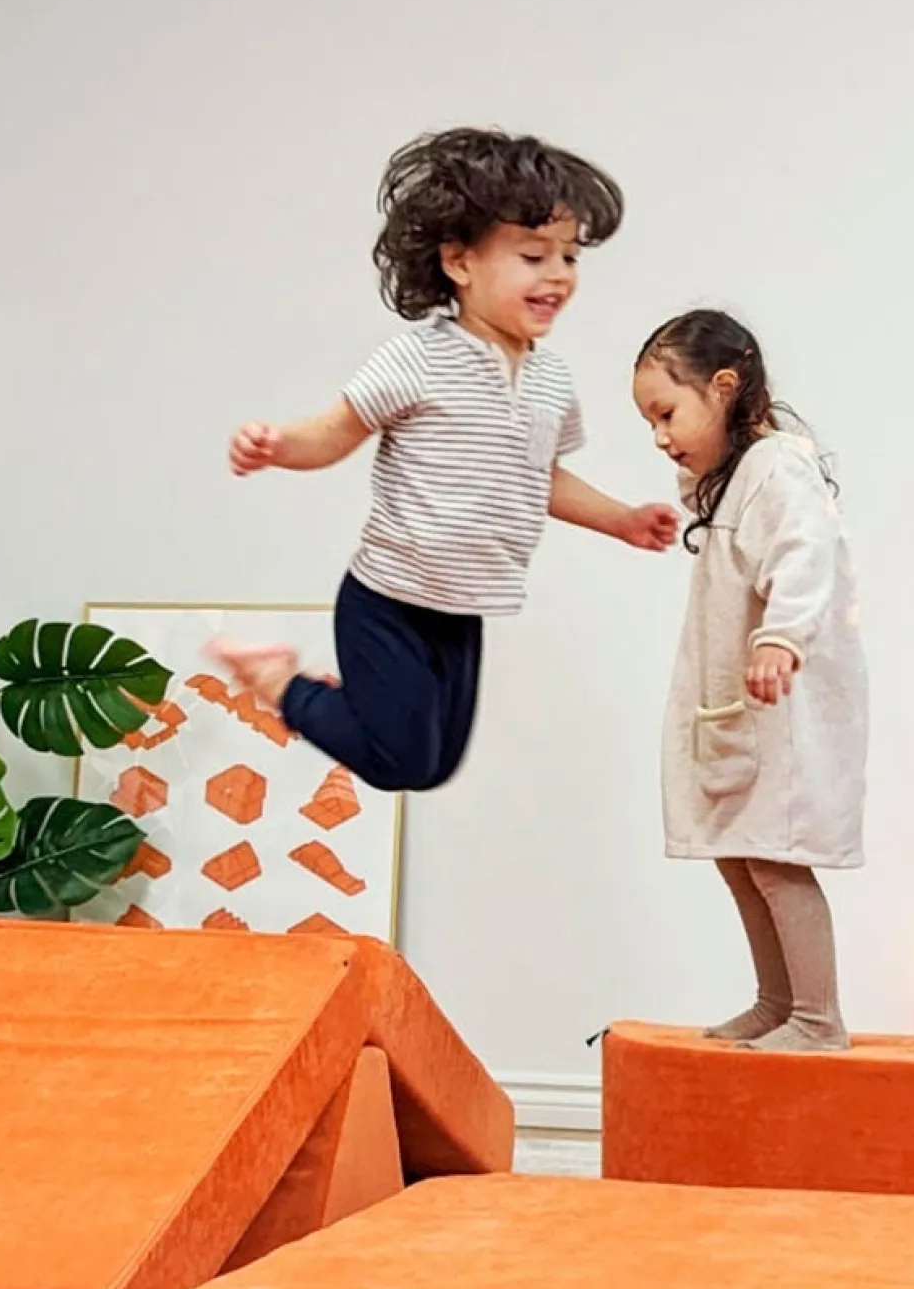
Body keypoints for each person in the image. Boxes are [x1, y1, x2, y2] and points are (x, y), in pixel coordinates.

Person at [209, 128, 680, 793]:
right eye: (533, 255)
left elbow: (541, 478)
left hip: (463, 606)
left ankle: (336, 698)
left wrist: (622, 520)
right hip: (389, 597)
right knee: (399, 761)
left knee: (434, 767)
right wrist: (278, 446)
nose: (557, 275)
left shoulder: (550, 380)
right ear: (459, 263)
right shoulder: (420, 357)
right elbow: (337, 433)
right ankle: (279, 681)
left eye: (570, 257)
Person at [633, 310, 868, 1051]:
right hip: (739, 708)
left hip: (778, 702)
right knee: (738, 854)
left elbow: (806, 554)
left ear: (724, 387)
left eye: (666, 413)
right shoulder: (734, 482)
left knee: (774, 857)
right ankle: (777, 1001)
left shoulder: (776, 468)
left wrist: (781, 637)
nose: (659, 436)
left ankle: (818, 1018)